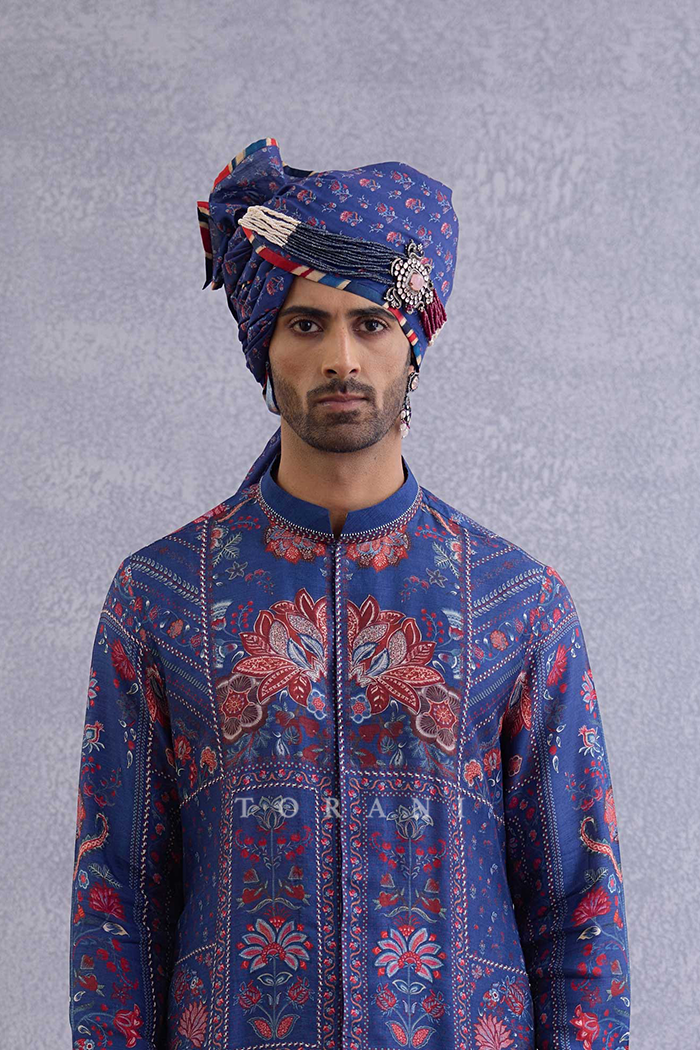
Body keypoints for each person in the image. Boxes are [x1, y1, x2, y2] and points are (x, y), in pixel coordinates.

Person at [69, 137, 631, 1049]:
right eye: (306, 324)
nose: (341, 357)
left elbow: (580, 906)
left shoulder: (518, 603)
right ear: (265, 345)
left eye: (370, 322)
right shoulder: (161, 597)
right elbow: (116, 903)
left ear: (412, 343)